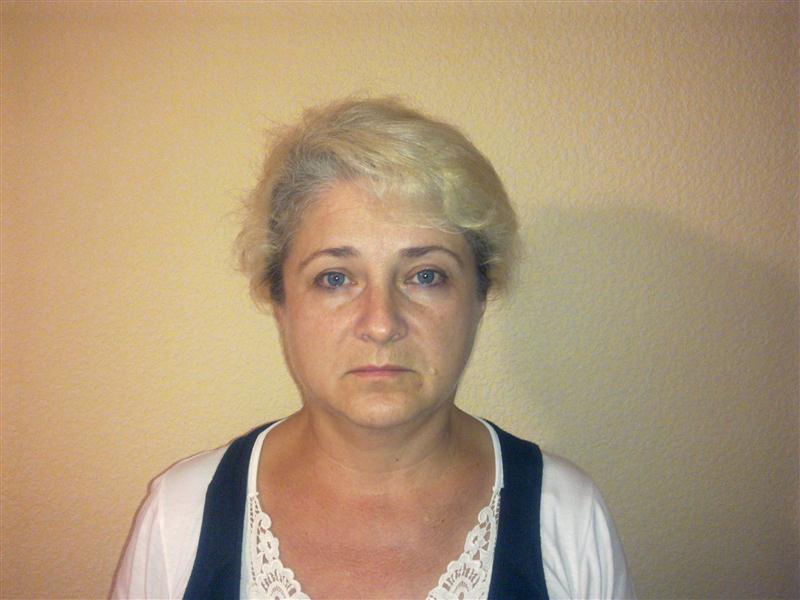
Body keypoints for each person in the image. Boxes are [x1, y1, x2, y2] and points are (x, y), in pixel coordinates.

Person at [111, 98, 635, 599]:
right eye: (335, 278)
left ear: (478, 298)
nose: (381, 324)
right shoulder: (178, 514)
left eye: (426, 275)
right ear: (282, 303)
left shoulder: (567, 517)